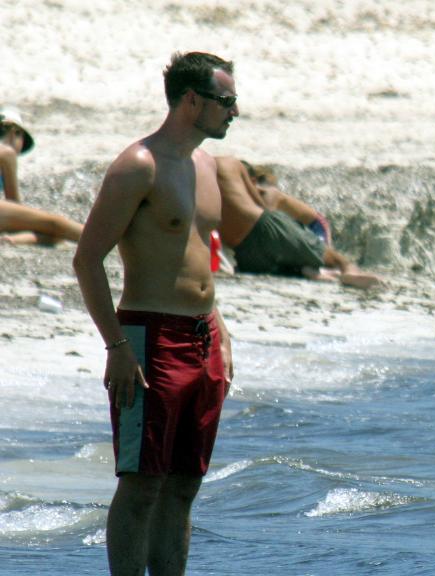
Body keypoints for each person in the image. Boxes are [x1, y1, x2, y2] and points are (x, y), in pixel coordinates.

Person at [73, 52, 237, 576]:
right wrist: (117, 346)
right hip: (149, 338)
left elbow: (200, 254)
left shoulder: (207, 165)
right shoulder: (137, 166)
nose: (235, 111)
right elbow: (87, 259)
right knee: (142, 483)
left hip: (203, 336)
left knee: (186, 483)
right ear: (193, 101)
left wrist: (221, 330)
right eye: (226, 101)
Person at [215, 155, 382, 288]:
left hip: (315, 226)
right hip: (266, 229)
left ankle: (331, 270)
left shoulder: (270, 193)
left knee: (320, 254)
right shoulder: (230, 165)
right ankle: (343, 269)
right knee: (320, 257)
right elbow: (266, 218)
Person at [0, 107, 84, 245]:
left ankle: (11, 241)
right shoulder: (7, 153)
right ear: (15, 133)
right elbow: (15, 204)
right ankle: (107, 239)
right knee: (56, 224)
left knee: (54, 235)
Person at [242, 160, 332, 245]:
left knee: (323, 256)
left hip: (315, 225)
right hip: (298, 229)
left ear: (252, 181)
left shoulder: (268, 193)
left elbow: (266, 221)